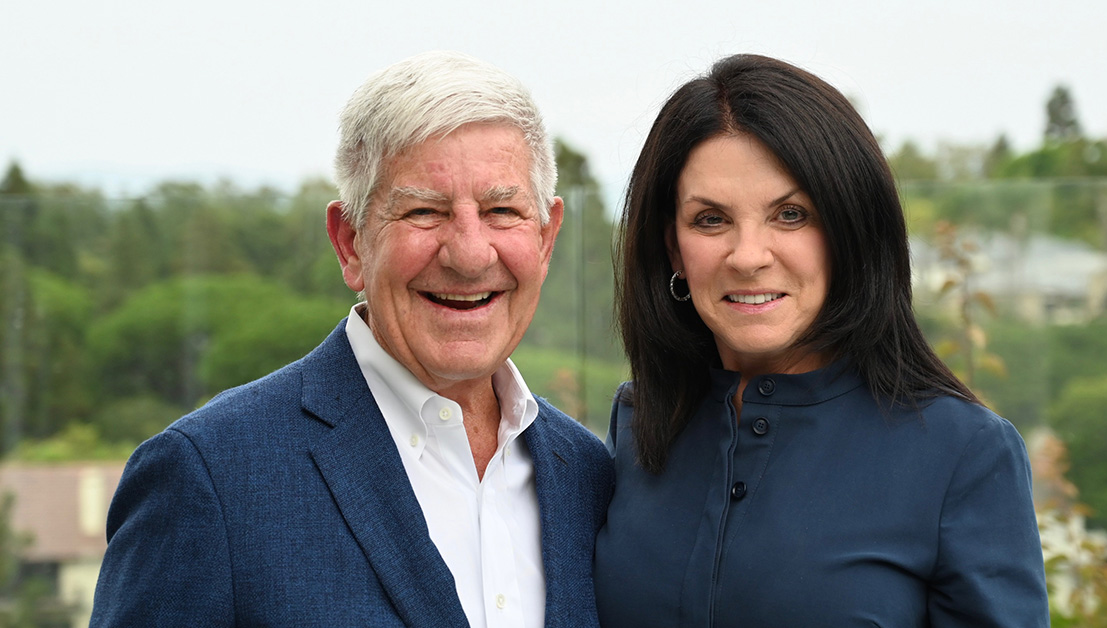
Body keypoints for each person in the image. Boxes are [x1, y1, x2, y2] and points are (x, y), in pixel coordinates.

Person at [91, 51, 613, 627]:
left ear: (545, 239)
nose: (469, 255)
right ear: (350, 242)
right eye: (424, 211)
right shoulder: (210, 476)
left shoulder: (587, 475)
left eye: (501, 210)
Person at [594, 54, 1049, 627]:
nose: (748, 257)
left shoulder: (964, 454)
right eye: (711, 219)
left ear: (849, 230)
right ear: (673, 248)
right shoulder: (638, 422)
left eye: (791, 215)